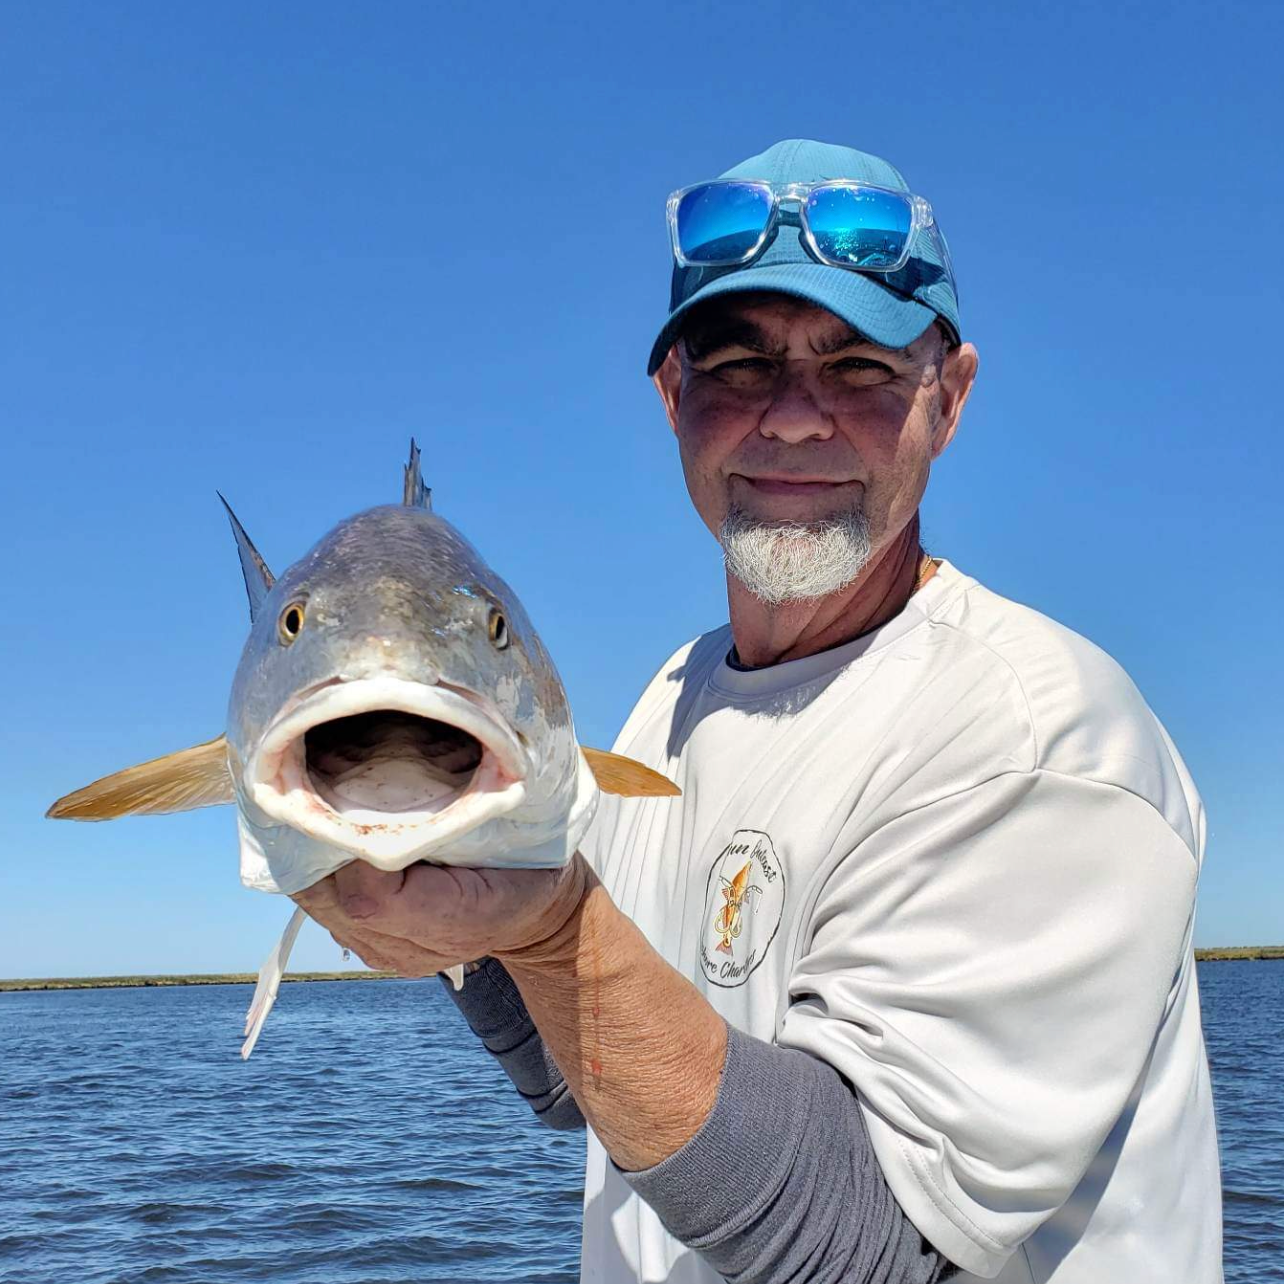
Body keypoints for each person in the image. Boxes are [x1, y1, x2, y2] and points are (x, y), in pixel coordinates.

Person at [294, 140, 1223, 1283]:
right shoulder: (664, 705)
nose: (791, 419)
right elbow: (585, 1082)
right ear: (671, 396)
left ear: (951, 396)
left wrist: (541, 926)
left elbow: (871, 1240)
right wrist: (449, 905)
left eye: (861, 366)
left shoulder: (1035, 735)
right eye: (736, 364)